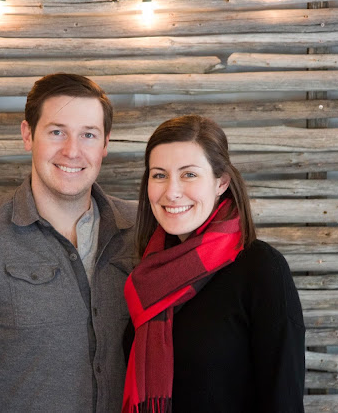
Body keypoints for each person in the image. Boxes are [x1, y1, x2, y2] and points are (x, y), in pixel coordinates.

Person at [0, 73, 136, 412]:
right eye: (57, 132)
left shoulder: (142, 231)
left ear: (105, 144)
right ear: (27, 135)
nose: (72, 151)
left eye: (88, 135)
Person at [122, 115, 305, 412]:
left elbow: (283, 401)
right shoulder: (147, 273)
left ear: (221, 182)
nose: (172, 192)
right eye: (159, 175)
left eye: (189, 174)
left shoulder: (261, 269)